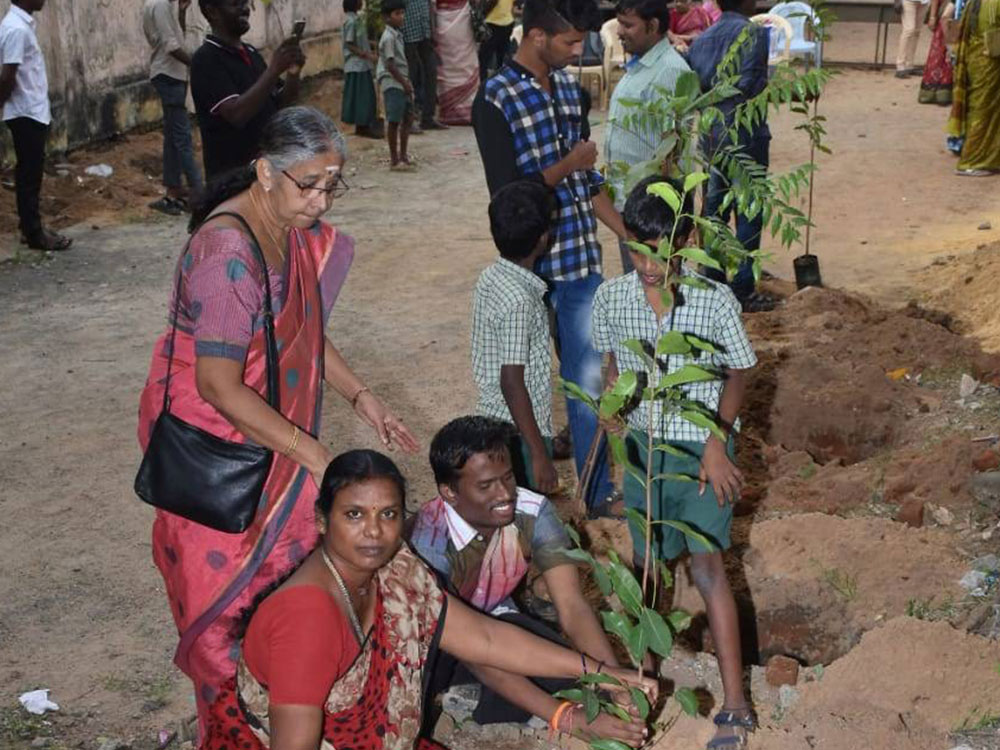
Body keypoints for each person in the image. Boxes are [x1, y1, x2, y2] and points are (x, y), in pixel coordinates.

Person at [137, 107, 419, 740]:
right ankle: (230, 729)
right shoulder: (226, 253)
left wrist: (361, 397)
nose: (320, 202)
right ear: (265, 172)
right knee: (220, 613)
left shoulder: (286, 230)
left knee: (284, 584)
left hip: (269, 439)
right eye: (307, 184)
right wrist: (313, 453)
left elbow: (303, 331)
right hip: (215, 454)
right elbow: (217, 383)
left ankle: (284, 702)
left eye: (331, 184)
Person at [204, 448, 656, 750]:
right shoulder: (307, 618)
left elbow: (486, 639)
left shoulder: (397, 570)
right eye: (354, 515)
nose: (374, 531)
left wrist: (606, 676)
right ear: (322, 521)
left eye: (388, 514)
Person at [591, 176, 757, 750]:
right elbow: (615, 367)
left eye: (660, 253)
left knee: (709, 571)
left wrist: (716, 439)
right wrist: (612, 406)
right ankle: (645, 682)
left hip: (703, 451)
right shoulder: (612, 298)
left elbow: (737, 372)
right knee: (648, 570)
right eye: (636, 248)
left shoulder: (712, 301)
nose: (647, 264)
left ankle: (735, 703)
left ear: (686, 240)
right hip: (645, 455)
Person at [472, 0, 623, 518]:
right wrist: (569, 164)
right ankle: (523, 501)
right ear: (536, 36)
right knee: (525, 384)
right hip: (532, 269)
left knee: (588, 380)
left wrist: (627, 232)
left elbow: (589, 181)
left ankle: (598, 495)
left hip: (581, 260)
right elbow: (506, 195)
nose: (579, 51)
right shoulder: (494, 98)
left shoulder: (568, 90)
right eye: (569, 43)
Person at [410, 418, 647, 746]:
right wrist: (566, 717)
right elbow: (472, 641)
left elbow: (572, 605)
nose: (505, 493)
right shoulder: (430, 541)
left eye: (508, 477)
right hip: (434, 644)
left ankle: (473, 700)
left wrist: (611, 683)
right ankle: (456, 700)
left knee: (558, 665)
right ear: (449, 492)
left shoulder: (533, 511)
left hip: (495, 624)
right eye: (486, 485)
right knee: (425, 695)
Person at [472, 179, 559, 492]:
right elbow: (512, 380)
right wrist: (538, 454)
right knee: (526, 513)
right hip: (522, 432)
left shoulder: (492, 276)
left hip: (496, 418)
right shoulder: (520, 300)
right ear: (543, 239)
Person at [686, 0, 772, 311]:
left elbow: (693, 90)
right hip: (745, 134)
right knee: (748, 211)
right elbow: (751, 84)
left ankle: (712, 278)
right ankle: (744, 286)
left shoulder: (703, 39)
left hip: (710, 135)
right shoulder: (755, 33)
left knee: (714, 211)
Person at [605, 0, 691, 273]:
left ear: (653, 26)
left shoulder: (670, 71)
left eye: (628, 25)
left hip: (651, 211)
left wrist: (666, 214)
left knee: (653, 286)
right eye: (619, 23)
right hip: (631, 203)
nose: (620, 31)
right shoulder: (642, 66)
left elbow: (674, 151)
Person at [190, 0, 305, 180]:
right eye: (235, 4)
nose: (245, 9)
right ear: (212, 11)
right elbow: (236, 114)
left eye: (245, 3)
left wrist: (293, 72)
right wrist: (273, 70)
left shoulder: (251, 53)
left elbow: (282, 102)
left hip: (266, 171)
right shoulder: (206, 59)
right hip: (232, 179)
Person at [0, 0, 72, 252]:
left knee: (30, 172)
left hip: (31, 110)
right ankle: (34, 234)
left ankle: (30, 227)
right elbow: (7, 76)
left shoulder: (21, 25)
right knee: (29, 174)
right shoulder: (16, 29)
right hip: (25, 112)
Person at [143, 0, 205, 215]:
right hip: (168, 74)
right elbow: (172, 45)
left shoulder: (173, 5)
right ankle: (198, 193)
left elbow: (180, 37)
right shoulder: (160, 5)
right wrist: (198, 66)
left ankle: (173, 192)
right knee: (182, 136)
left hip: (175, 75)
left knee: (172, 136)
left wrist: (182, 10)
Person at [947, 0, 1000, 175]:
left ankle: (989, 157)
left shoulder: (974, 3)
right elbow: (993, 33)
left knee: (982, 110)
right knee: (983, 113)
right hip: (989, 62)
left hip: (974, 58)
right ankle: (972, 161)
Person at [377, 0, 417, 170]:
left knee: (408, 118)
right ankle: (395, 159)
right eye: (397, 13)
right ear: (387, 17)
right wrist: (404, 83)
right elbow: (390, 65)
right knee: (394, 120)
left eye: (402, 12)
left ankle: (403, 155)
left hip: (401, 80)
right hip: (393, 82)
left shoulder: (397, 34)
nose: (402, 17)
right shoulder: (388, 38)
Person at [403, 0, 448, 131]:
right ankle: (407, 120)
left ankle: (428, 118)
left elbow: (430, 5)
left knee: (431, 72)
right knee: (408, 76)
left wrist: (433, 29)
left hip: (425, 31)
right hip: (407, 33)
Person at [435, 0, 481, 123]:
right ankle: (464, 112)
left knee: (459, 63)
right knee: (457, 64)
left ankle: (453, 113)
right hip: (454, 19)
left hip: (453, 19)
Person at [341, 0, 382, 138]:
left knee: (363, 97)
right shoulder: (353, 22)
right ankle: (363, 126)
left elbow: (359, 40)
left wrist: (372, 44)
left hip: (361, 65)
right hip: (357, 65)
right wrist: (366, 55)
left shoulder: (357, 20)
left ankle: (363, 125)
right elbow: (349, 44)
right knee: (363, 97)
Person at [918, 0, 954, 104]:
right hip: (949, 16)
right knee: (944, 52)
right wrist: (932, 17)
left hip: (956, 15)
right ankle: (937, 91)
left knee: (948, 52)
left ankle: (943, 92)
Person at [478, 0, 516, 81]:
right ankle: (502, 82)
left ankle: (483, 86)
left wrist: (482, 13)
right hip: (508, 22)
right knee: (502, 56)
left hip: (493, 23)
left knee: (484, 58)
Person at [894, 0, 931, 77]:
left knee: (916, 32)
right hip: (908, 1)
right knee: (909, 30)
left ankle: (909, 65)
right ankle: (900, 65)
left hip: (924, 2)